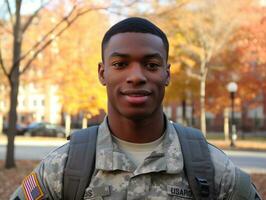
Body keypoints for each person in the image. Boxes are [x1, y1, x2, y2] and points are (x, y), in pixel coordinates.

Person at [11, 17, 261, 200]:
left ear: (167, 74)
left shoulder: (211, 168)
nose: (136, 76)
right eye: (120, 64)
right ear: (102, 73)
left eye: (151, 65)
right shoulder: (64, 168)